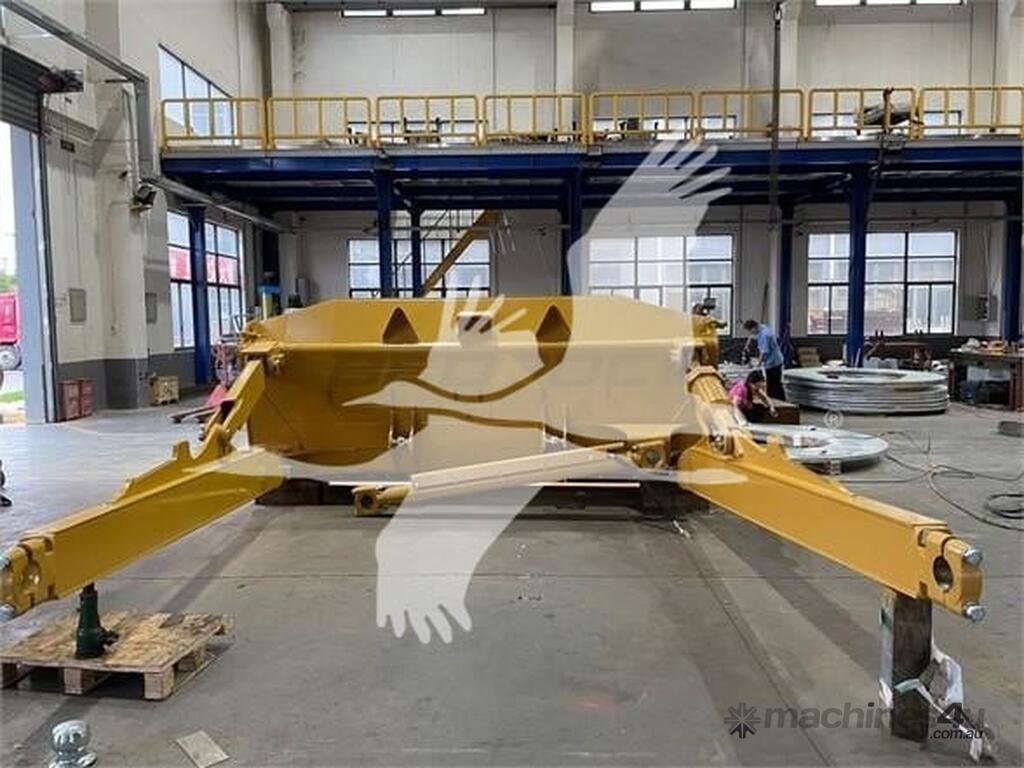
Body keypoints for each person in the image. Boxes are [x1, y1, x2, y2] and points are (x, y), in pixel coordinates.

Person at [743, 319, 785, 400]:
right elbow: (754, 335)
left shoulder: (764, 336)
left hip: (772, 363)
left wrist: (757, 365)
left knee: (773, 385)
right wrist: (748, 343)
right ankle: (778, 398)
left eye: (750, 331)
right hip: (777, 360)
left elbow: (764, 352)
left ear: (754, 327)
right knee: (776, 383)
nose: (751, 333)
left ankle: (776, 400)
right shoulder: (762, 327)